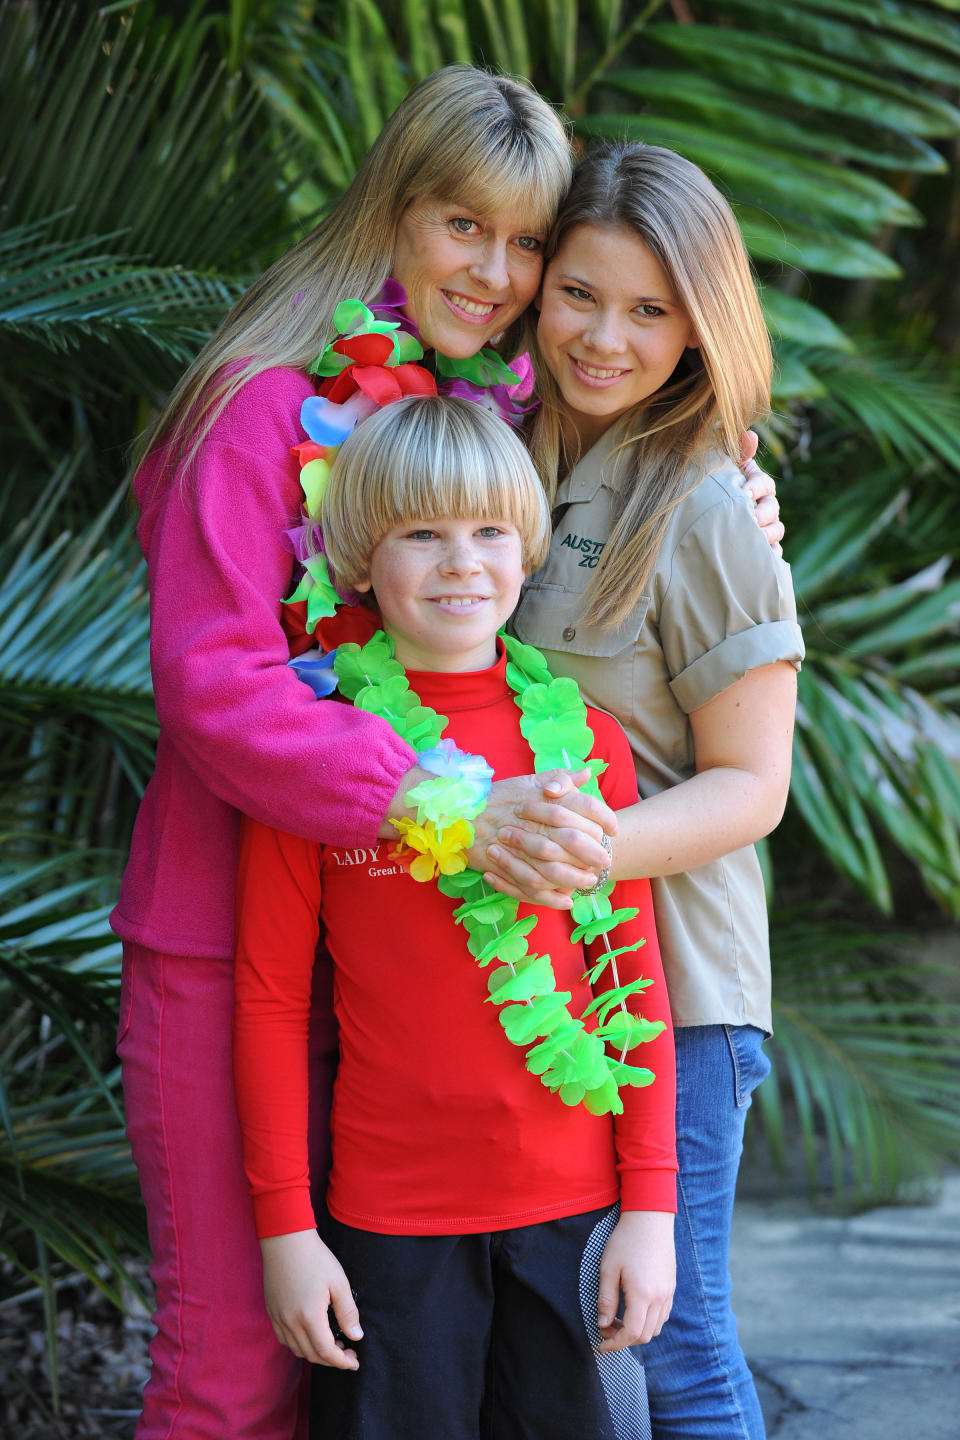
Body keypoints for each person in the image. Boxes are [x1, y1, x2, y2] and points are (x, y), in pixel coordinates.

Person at [110, 67, 618, 1440]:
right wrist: (442, 801)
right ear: (395, 210)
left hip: (382, 976)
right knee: (232, 1376)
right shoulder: (266, 406)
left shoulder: (464, 423)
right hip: (228, 951)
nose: (501, 274)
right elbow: (217, 687)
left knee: (361, 1379)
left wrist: (744, 493)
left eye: (526, 243)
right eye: (466, 226)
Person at [232, 394, 678, 1440]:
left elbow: (634, 977)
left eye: (487, 531)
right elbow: (265, 1002)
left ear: (525, 548)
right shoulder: (320, 760)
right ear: (358, 557)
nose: (460, 562)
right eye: (420, 533)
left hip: (568, 1210)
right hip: (387, 1222)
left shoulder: (584, 748)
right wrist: (285, 1229)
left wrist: (651, 1210)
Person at [481, 141, 802, 1439]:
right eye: (580, 294)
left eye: (651, 310)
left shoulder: (710, 504)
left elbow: (752, 784)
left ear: (700, 323)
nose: (604, 338)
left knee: (667, 1344)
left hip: (671, 996)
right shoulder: (493, 451)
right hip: (525, 974)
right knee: (563, 1343)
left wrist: (579, 849)